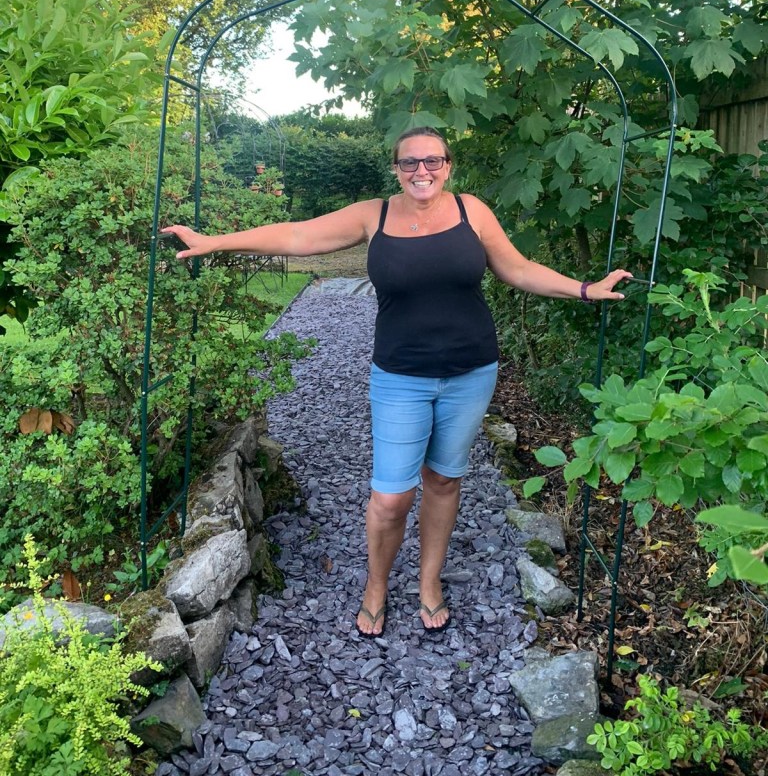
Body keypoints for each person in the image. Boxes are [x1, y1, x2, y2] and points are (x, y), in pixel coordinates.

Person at [162, 126, 631, 638]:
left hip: (471, 373)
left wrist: (585, 289)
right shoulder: (375, 215)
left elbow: (517, 269)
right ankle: (377, 584)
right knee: (390, 497)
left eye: (432, 161)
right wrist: (215, 242)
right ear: (396, 169)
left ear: (448, 166)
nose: (421, 171)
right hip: (400, 377)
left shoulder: (472, 212)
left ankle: (429, 582)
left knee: (444, 480)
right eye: (410, 162)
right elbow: (298, 236)